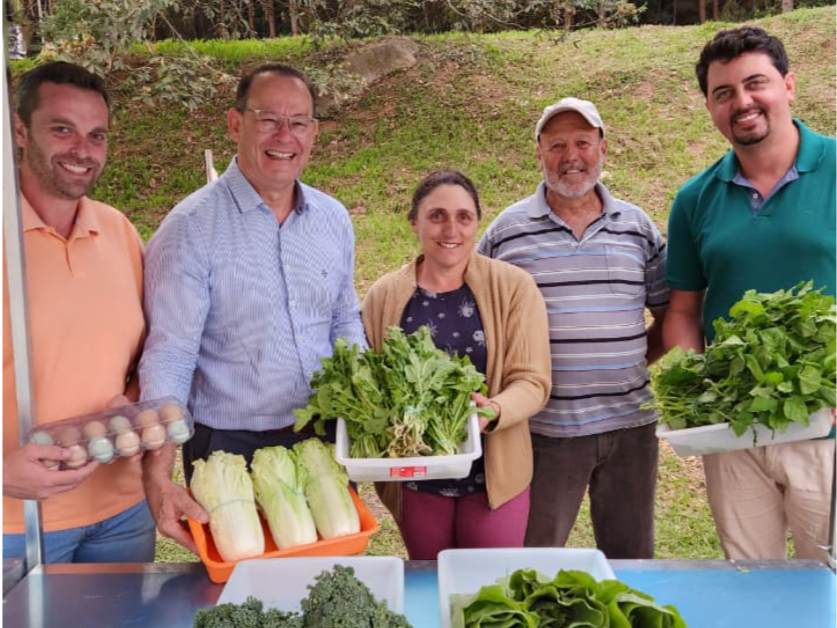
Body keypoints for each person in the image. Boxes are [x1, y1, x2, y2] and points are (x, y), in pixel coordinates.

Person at [138, 63, 367, 553]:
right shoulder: (190, 229)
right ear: (234, 123)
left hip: (323, 439)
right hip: (229, 451)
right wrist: (158, 476)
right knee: (247, 583)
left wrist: (366, 402)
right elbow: (170, 356)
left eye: (298, 122)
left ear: (314, 132)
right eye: (268, 119)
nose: (285, 136)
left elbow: (344, 318)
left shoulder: (333, 219)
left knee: (331, 575)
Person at [663, 26, 835, 561]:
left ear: (788, 85)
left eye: (755, 83)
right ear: (710, 107)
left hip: (826, 429)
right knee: (749, 578)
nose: (742, 101)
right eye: (724, 92)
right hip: (735, 431)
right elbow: (683, 311)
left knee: (830, 583)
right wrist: (699, 393)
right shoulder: (694, 199)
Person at [478, 98, 669, 559]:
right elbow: (475, 317)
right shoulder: (507, 232)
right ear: (539, 152)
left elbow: (670, 315)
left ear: (603, 147)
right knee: (534, 561)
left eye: (583, 142)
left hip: (630, 427)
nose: (571, 156)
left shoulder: (637, 227)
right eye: (557, 145)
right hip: (545, 430)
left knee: (631, 561)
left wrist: (627, 362)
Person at [2, 62, 155, 563]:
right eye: (62, 129)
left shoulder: (117, 230)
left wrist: (130, 403)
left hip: (124, 511)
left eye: (97, 135)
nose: (82, 150)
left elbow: (148, 353)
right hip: (13, 525)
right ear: (20, 130)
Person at [362, 170, 551, 559]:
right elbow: (371, 380)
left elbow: (532, 381)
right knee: (430, 581)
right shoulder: (383, 296)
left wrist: (493, 410)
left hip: (493, 479)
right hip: (416, 481)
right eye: (437, 216)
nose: (451, 229)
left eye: (464, 217)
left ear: (477, 223)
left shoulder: (514, 287)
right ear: (414, 222)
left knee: (488, 586)